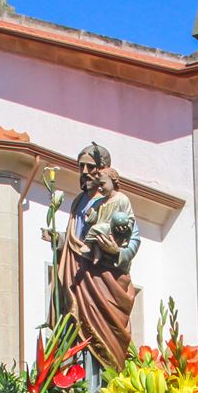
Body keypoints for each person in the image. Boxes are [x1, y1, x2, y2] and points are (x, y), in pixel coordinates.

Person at [51, 143, 142, 369]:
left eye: (90, 166)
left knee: (104, 334)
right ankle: (76, 385)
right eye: (80, 166)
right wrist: (59, 240)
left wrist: (116, 251)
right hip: (78, 275)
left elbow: (133, 238)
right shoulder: (78, 203)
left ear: (103, 169)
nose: (84, 172)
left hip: (104, 279)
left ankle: (102, 387)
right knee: (75, 328)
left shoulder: (118, 200)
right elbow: (76, 237)